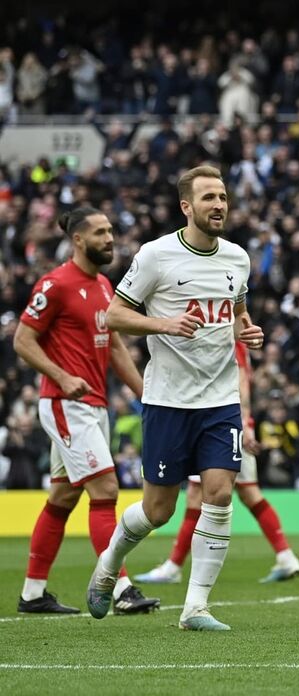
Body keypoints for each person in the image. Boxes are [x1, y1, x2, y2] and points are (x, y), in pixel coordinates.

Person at [87, 165, 264, 631]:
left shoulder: (237, 258)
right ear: (187, 206)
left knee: (220, 493)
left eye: (222, 196)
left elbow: (238, 309)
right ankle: (108, 565)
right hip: (168, 400)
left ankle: (195, 608)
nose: (219, 205)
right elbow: (113, 317)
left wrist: (247, 331)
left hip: (220, 398)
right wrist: (164, 324)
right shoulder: (156, 256)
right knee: (158, 510)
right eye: (208, 198)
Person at [14, 208, 160, 616]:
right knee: (106, 491)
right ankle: (120, 588)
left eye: (111, 230)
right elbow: (23, 341)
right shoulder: (55, 284)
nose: (110, 238)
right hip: (66, 404)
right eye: (100, 232)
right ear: (78, 239)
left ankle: (32, 594)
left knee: (62, 498)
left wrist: (145, 395)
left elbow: (114, 348)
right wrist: (61, 377)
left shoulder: (101, 285)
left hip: (92, 405)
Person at [134, 340, 299, 585]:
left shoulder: (224, 334)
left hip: (220, 423)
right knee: (250, 494)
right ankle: (286, 557)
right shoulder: (227, 331)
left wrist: (244, 421)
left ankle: (173, 567)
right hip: (228, 421)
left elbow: (241, 377)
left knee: (197, 496)